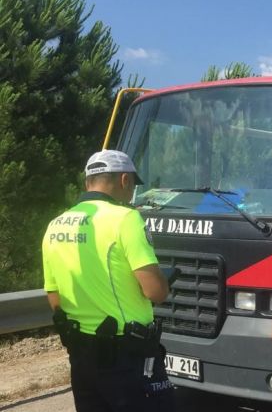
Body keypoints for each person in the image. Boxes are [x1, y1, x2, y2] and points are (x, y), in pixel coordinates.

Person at [42, 150, 174, 412]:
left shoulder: (55, 225)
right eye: (133, 185)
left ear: (87, 182)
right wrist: (163, 281)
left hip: (81, 355)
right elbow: (155, 292)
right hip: (126, 355)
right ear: (125, 180)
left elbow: (54, 297)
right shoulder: (126, 219)